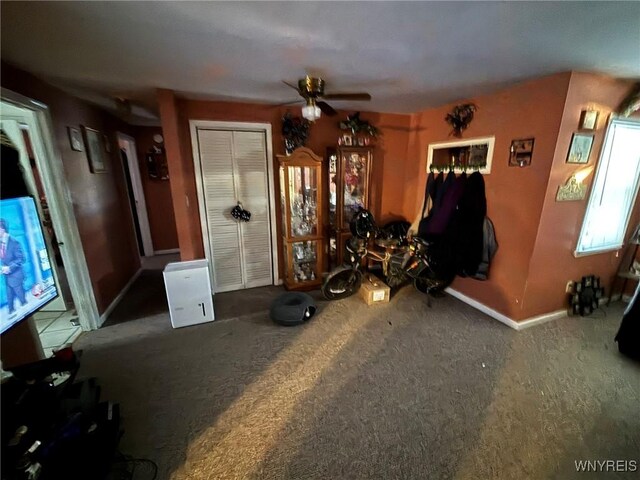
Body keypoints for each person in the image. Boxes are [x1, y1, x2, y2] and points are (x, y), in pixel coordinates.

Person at [0, 219, 26, 314]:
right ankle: (11, 312)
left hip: (16, 276)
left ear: (2, 229)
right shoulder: (1, 243)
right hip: (7, 277)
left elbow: (21, 259)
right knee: (10, 301)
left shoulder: (14, 242)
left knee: (23, 301)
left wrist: (9, 268)